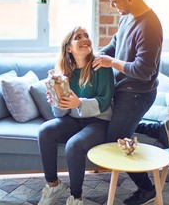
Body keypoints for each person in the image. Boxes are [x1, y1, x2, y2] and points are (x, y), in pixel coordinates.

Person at [92, 0, 169, 205]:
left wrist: (111, 63)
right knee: (116, 126)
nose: (112, 5)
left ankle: (147, 189)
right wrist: (97, 56)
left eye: (114, 1)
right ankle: (155, 129)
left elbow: (143, 71)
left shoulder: (150, 26)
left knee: (116, 141)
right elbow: (115, 44)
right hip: (124, 89)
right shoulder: (126, 16)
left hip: (138, 93)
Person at [38, 26, 114, 205]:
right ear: (68, 48)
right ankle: (53, 185)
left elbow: (104, 102)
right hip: (74, 119)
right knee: (45, 131)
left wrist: (78, 102)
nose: (84, 39)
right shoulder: (64, 74)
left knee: (74, 145)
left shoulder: (101, 66)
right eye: (78, 37)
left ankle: (76, 197)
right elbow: (60, 114)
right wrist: (56, 101)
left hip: (99, 121)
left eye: (86, 35)